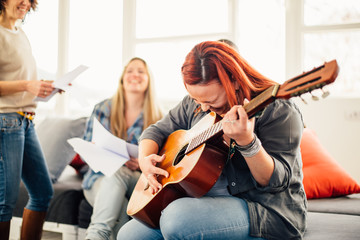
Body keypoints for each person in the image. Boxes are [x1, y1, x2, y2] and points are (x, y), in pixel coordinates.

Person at [117, 41, 307, 240]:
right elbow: (155, 131)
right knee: (129, 235)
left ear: (233, 80)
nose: (203, 108)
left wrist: (247, 143)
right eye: (197, 100)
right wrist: (145, 159)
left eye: (210, 101)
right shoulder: (197, 101)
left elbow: (276, 182)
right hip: (210, 200)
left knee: (177, 218)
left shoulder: (279, 110)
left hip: (266, 210)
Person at [82, 57, 163, 240]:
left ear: (149, 79)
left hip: (140, 181)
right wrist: (116, 159)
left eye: (141, 71)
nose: (135, 75)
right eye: (130, 71)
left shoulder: (159, 117)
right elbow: (88, 150)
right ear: (122, 78)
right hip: (100, 178)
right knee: (121, 207)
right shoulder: (103, 109)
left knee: (120, 177)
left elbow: (164, 160)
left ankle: (94, 236)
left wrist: (143, 162)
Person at [0, 0, 56, 239]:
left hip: (25, 121)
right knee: (6, 202)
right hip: (6, 121)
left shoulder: (19, 32)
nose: (24, 2)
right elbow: (22, 83)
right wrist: (27, 85)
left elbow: (22, 79)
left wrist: (45, 87)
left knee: (43, 192)